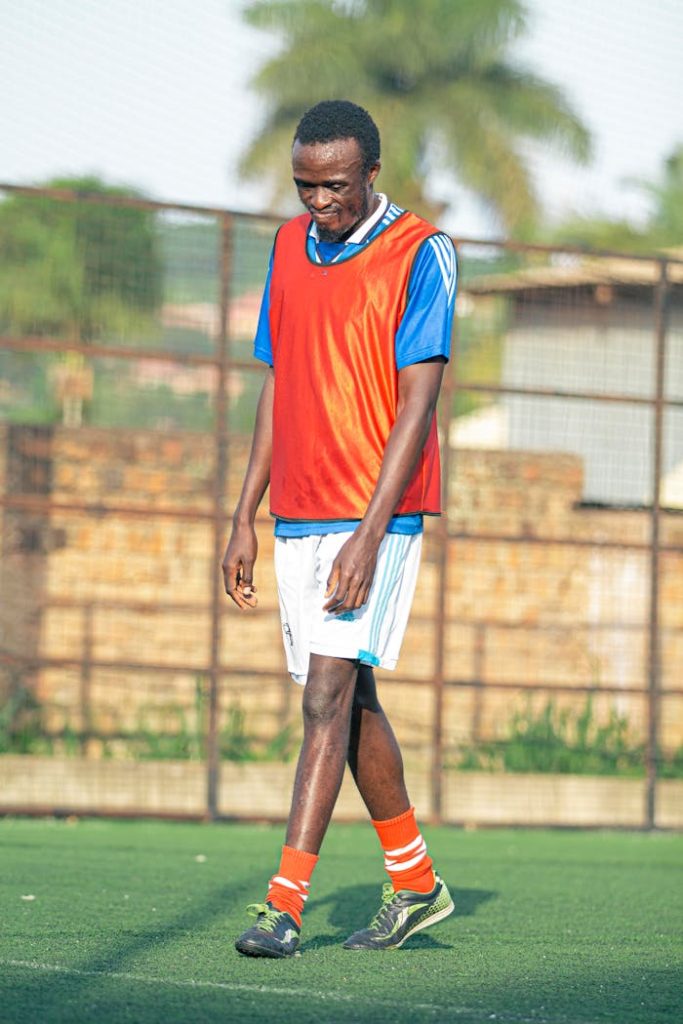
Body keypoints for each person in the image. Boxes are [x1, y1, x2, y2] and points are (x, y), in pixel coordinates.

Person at [222, 99, 457, 958]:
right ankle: (418, 886)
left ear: (370, 175)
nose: (317, 202)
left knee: (323, 697)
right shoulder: (288, 245)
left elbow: (417, 402)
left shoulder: (420, 253)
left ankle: (282, 907)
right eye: (304, 186)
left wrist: (368, 532)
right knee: (347, 701)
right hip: (297, 514)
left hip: (376, 517)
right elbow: (276, 382)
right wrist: (243, 511)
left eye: (333, 186)